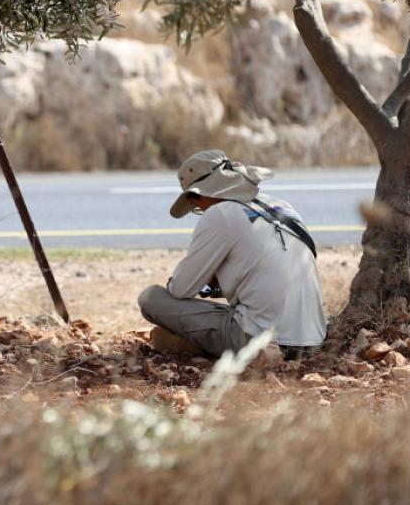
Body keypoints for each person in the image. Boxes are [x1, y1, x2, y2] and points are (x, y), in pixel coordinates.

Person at [138, 149, 327, 359]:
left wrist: (203, 279)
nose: (196, 206)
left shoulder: (219, 214)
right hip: (313, 340)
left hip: (264, 340)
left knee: (151, 298)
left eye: (193, 198)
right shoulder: (281, 205)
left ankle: (201, 347)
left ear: (204, 192)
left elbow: (180, 289)